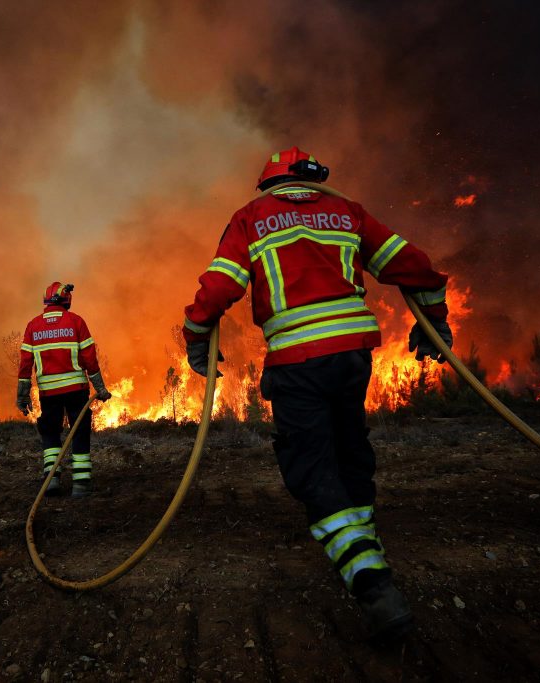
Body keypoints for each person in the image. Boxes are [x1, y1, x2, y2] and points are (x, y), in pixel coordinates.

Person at [181, 147, 453, 640]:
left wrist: (196, 338)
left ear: (267, 183)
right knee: (350, 448)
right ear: (312, 181)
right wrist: (434, 318)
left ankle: (370, 581)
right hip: (352, 358)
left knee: (310, 463)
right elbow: (409, 263)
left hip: (297, 361)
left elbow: (220, 287)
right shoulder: (346, 211)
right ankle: (361, 541)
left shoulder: (251, 217)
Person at [17, 282, 112, 498]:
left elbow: (25, 364)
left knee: (50, 431)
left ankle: (51, 480)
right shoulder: (76, 321)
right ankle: (81, 483)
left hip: (48, 393)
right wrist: (101, 388)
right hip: (76, 390)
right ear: (65, 299)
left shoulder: (33, 326)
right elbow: (90, 359)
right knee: (79, 430)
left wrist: (22, 396)